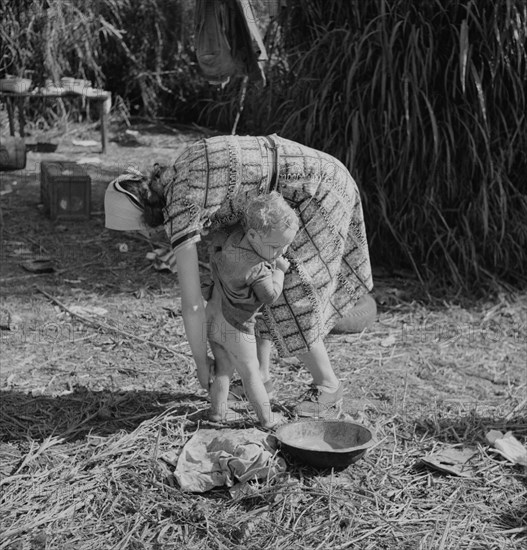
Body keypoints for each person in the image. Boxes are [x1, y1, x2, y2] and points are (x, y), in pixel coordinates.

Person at [104, 134, 373, 417]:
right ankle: (261, 379)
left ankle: (328, 387)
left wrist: (200, 363)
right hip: (296, 186)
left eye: (142, 228)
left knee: (291, 291)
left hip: (316, 189)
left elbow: (192, 304)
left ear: (145, 215)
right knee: (251, 282)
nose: (147, 234)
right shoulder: (177, 175)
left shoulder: (181, 206)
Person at [206, 191, 299, 427]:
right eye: (277, 247)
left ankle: (217, 412)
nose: (282, 252)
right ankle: (267, 420)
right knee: (251, 373)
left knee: (223, 369)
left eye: (286, 246)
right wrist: (279, 270)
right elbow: (269, 296)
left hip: (214, 318)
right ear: (254, 235)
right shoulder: (257, 268)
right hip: (236, 326)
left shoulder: (233, 239)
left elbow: (214, 241)